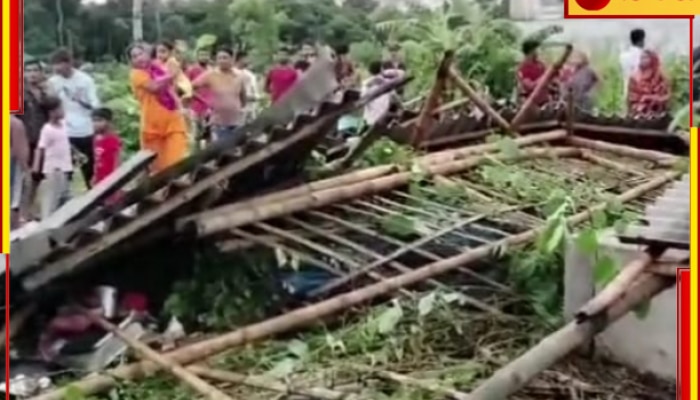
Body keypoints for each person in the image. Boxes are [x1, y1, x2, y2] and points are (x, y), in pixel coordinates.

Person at [129, 43, 188, 173]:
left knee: (176, 165)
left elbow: (171, 89)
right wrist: (171, 75)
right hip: (152, 127)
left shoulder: (160, 68)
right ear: (131, 61)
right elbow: (155, 87)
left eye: (141, 54)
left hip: (173, 121)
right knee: (157, 171)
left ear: (149, 54)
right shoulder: (136, 74)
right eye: (134, 56)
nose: (139, 58)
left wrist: (180, 107)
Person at [47, 48, 100, 188]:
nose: (57, 68)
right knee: (64, 169)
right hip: (63, 130)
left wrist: (80, 100)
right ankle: (65, 199)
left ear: (69, 63)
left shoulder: (85, 80)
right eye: (55, 65)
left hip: (84, 129)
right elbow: (50, 106)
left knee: (88, 166)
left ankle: (93, 195)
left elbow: (95, 105)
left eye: (60, 64)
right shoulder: (53, 82)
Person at [192, 46, 247, 142]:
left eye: (225, 58)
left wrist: (241, 109)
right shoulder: (210, 75)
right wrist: (204, 102)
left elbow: (243, 96)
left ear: (232, 59)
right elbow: (189, 88)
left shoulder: (239, 76)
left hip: (237, 122)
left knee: (236, 152)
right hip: (218, 123)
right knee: (222, 152)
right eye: (219, 58)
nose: (222, 61)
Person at [33, 96, 73, 220]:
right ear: (52, 112)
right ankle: (46, 225)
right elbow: (40, 148)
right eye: (59, 108)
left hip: (65, 167)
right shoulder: (47, 129)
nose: (63, 110)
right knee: (51, 200)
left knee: (65, 197)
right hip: (54, 169)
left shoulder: (63, 125)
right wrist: (36, 168)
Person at [19, 59, 50, 215]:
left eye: (35, 70)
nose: (32, 74)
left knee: (38, 176)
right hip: (24, 139)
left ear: (41, 73)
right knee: (26, 176)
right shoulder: (20, 92)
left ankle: (30, 209)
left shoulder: (45, 92)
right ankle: (23, 211)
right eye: (28, 70)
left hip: (43, 140)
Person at [627, 49, 670, 119]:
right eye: (641, 58)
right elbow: (631, 97)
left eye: (646, 57)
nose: (643, 60)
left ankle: (693, 130)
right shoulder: (634, 77)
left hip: (658, 113)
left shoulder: (661, 77)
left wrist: (652, 98)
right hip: (638, 112)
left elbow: (667, 96)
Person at [91, 108, 122, 185]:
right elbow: (96, 159)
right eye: (94, 121)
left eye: (99, 120)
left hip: (111, 178)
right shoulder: (96, 139)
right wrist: (95, 175)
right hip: (100, 177)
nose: (96, 123)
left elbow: (117, 160)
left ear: (109, 122)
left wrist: (116, 178)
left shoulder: (112, 140)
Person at [516, 40, 551, 106]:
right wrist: (545, 76)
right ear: (531, 51)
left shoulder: (540, 64)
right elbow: (530, 86)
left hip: (545, 102)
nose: (537, 52)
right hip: (531, 105)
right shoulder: (522, 68)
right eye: (536, 49)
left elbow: (549, 81)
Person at [10, 116, 30, 228]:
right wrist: (25, 168)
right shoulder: (15, 123)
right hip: (12, 165)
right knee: (14, 201)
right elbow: (19, 148)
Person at [186, 48, 213, 125]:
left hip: (208, 108)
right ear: (197, 57)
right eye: (202, 55)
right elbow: (187, 88)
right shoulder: (191, 70)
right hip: (195, 107)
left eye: (206, 55)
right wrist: (202, 100)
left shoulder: (211, 70)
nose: (204, 57)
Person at [619, 28, 646, 102]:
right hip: (641, 94)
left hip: (627, 90)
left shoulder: (623, 56)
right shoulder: (643, 56)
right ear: (641, 40)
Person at [235, 51, 259, 121]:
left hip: (250, 109)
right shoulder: (231, 74)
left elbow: (255, 93)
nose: (249, 60)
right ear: (240, 59)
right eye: (247, 58)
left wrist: (255, 97)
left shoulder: (251, 75)